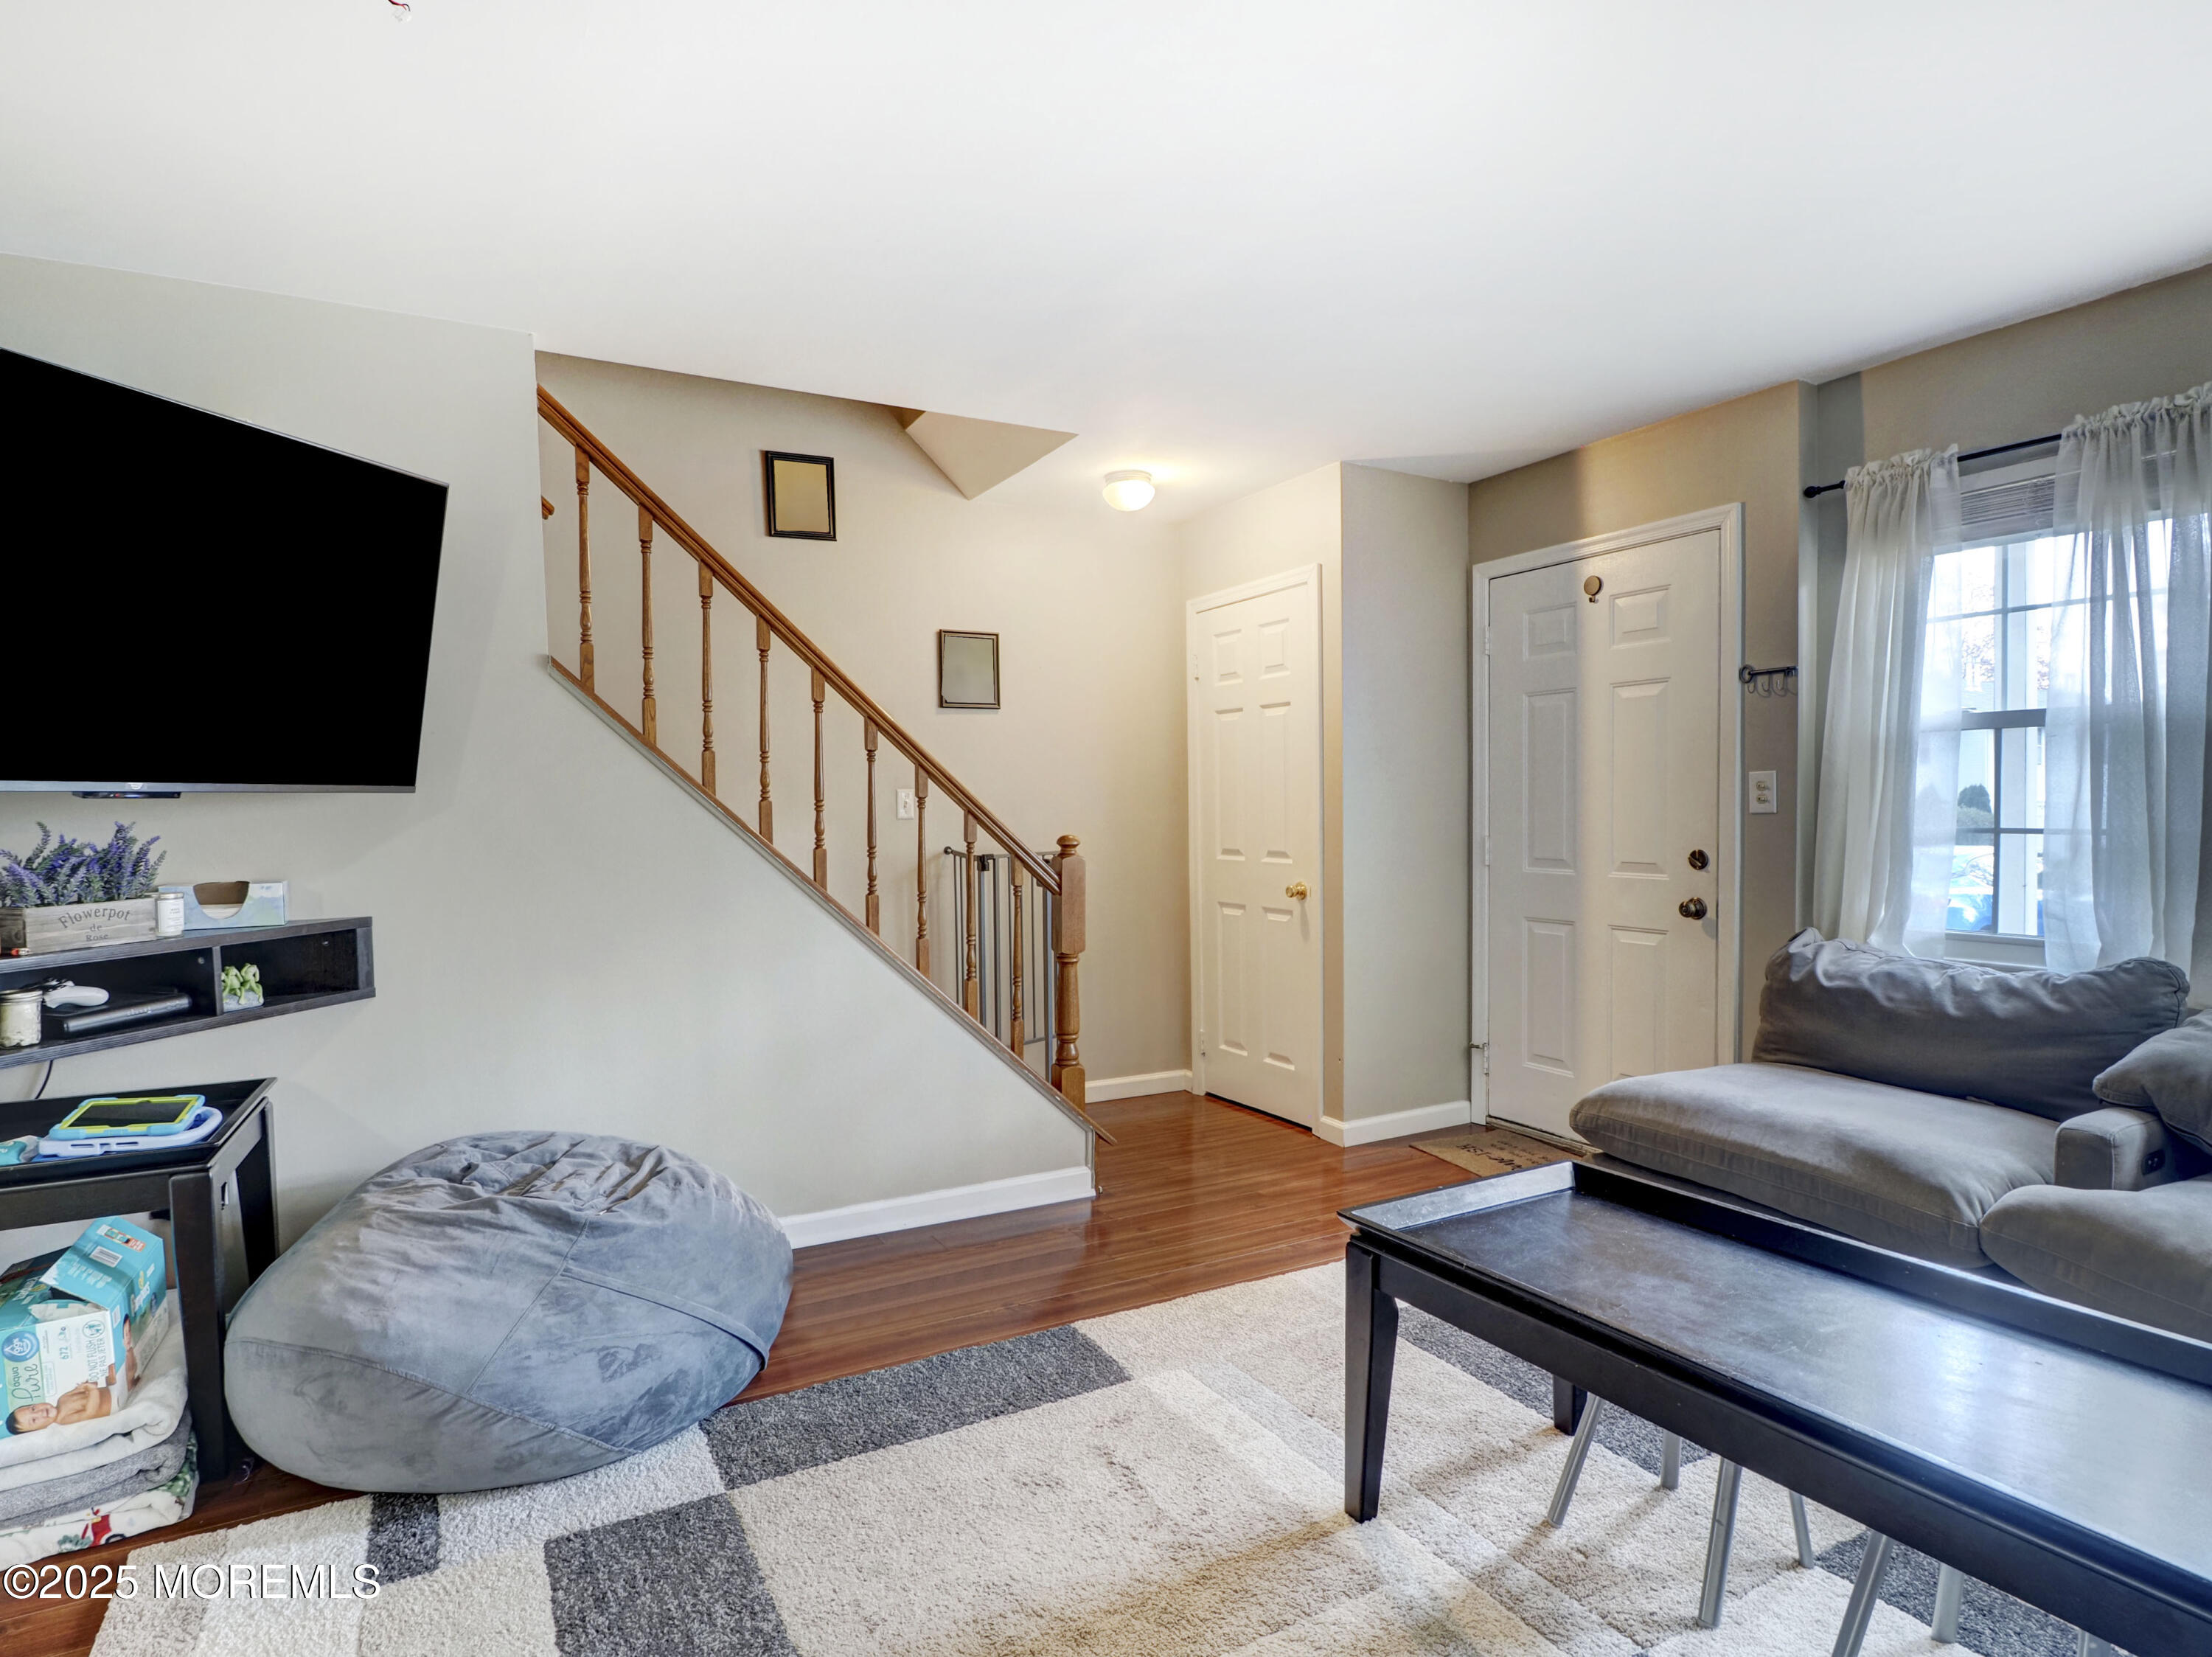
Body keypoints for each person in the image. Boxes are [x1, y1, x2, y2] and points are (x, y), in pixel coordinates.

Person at [4, 1380, 111, 1434]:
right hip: (117, 1404)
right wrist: (92, 1390)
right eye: (34, 1420)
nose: (40, 1412)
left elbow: (83, 1389)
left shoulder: (62, 1399)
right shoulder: (64, 1420)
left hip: (115, 1389)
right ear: (39, 1430)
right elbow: (90, 1413)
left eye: (33, 1409)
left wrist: (85, 1385)